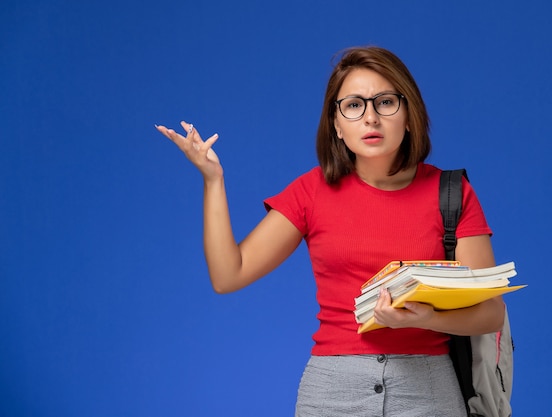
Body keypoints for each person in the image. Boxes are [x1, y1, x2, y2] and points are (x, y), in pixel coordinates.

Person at [156, 46, 505, 417]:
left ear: (409, 115)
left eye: (385, 102)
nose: (370, 118)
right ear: (337, 124)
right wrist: (213, 180)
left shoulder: (451, 193)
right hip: (332, 392)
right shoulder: (311, 191)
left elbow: (490, 313)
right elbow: (229, 275)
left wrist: (426, 318)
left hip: (429, 391)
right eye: (353, 106)